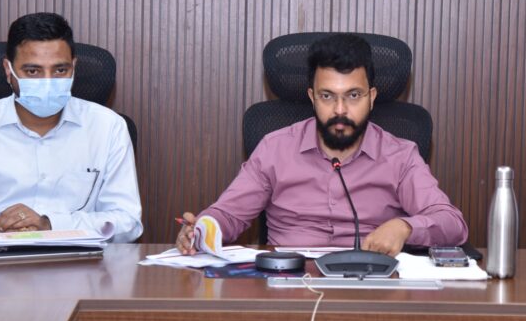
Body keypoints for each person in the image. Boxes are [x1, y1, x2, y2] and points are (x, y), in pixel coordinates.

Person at [177, 33, 468, 256]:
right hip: (289, 285)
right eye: (327, 96)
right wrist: (201, 229)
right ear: (312, 97)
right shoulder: (275, 148)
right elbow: (228, 214)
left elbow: (452, 224)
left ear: (371, 97)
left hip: (370, 285)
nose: (340, 110)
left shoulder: (401, 156)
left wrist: (404, 227)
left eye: (353, 95)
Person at [0, 13, 143, 242]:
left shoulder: (108, 127)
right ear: (8, 70)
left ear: (74, 67)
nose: (48, 81)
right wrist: (2, 230)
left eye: (60, 70)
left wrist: (49, 225)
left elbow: (127, 222)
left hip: (80, 262)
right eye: (32, 71)